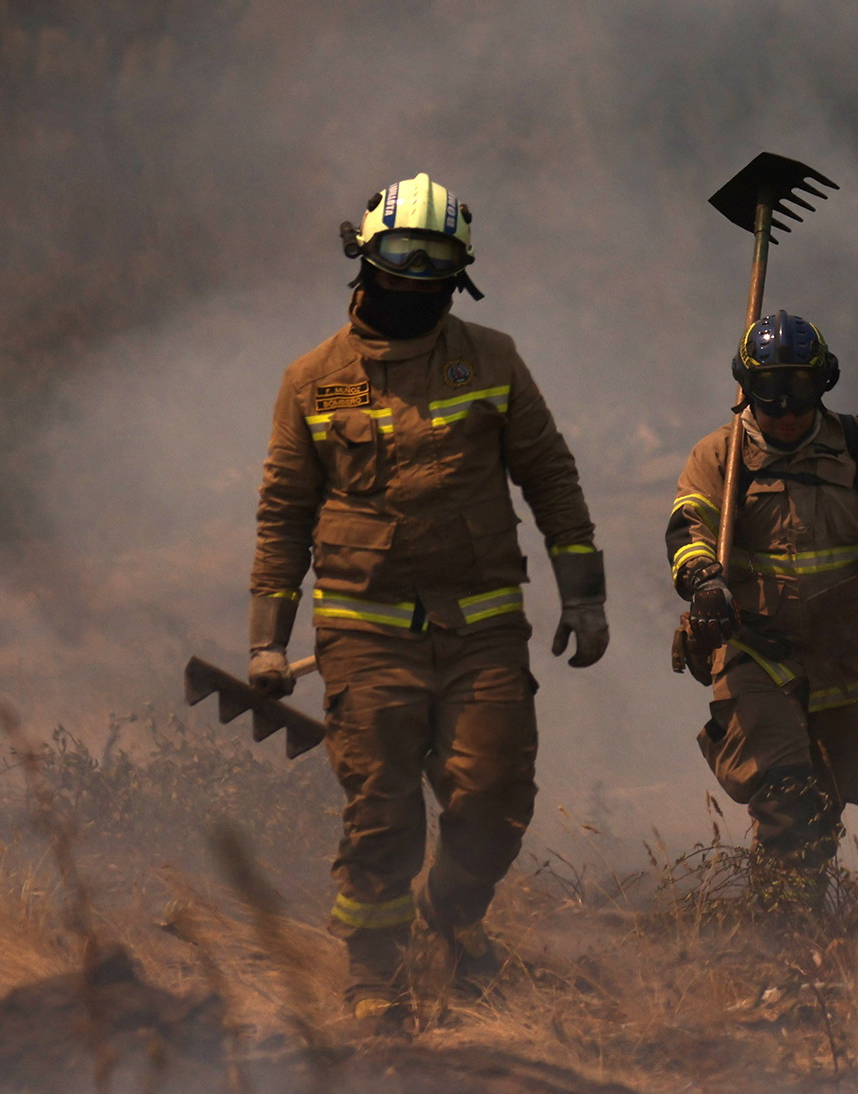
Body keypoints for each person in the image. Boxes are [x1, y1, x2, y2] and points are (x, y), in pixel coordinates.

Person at [247, 172, 610, 1024]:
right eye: (402, 257)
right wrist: (269, 637)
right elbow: (283, 514)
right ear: (364, 260)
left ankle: (448, 914)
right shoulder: (313, 382)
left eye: (437, 261)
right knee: (381, 814)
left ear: (462, 272)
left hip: (482, 631)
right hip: (364, 638)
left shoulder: (492, 358)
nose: (417, 276)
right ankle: (375, 975)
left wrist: (583, 597)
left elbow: (550, 478)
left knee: (492, 802)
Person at [663, 311, 858, 912]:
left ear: (825, 383)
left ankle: (798, 926)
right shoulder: (720, 457)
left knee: (822, 807)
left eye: (801, 391)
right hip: (755, 650)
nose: (786, 409)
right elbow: (688, 525)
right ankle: (784, 944)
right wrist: (703, 580)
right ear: (747, 390)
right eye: (769, 394)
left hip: (840, 658)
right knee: (786, 791)